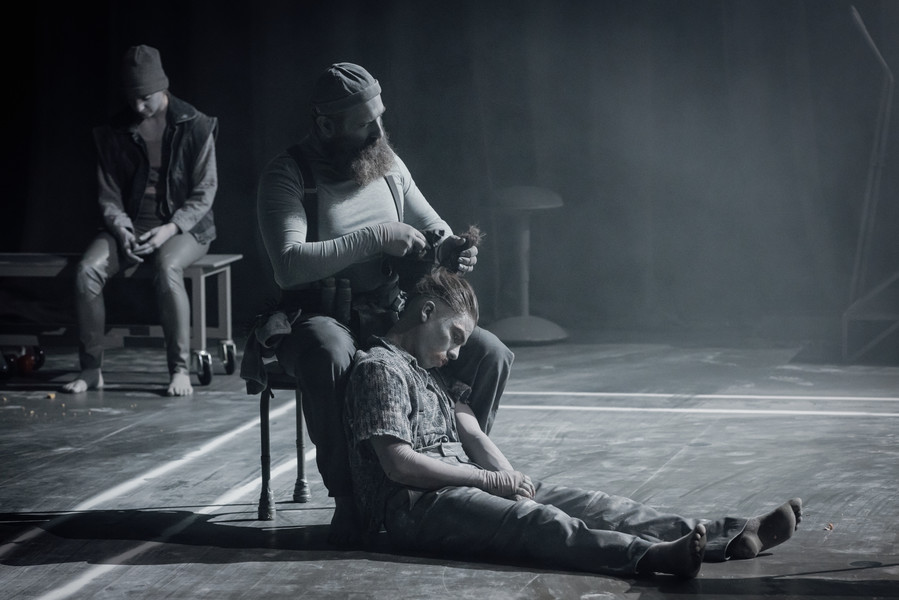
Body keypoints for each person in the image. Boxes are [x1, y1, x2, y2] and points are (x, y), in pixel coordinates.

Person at [345, 268, 803, 578]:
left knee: (594, 504)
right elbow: (398, 464)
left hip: (460, 483)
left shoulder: (432, 372)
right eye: (454, 337)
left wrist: (510, 479)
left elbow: (472, 432)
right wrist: (489, 481)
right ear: (425, 312)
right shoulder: (380, 368)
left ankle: (729, 533)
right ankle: (650, 557)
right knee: (536, 520)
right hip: (413, 506)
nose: (457, 352)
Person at [248, 62, 514, 546]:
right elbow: (288, 265)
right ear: (326, 125)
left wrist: (451, 249)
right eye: (364, 123)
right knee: (329, 352)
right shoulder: (289, 176)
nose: (377, 131)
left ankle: (445, 466)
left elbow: (432, 228)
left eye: (379, 117)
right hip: (320, 314)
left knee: (489, 353)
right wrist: (376, 236)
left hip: (388, 311)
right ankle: (352, 498)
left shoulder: (388, 164)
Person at [61, 45, 218, 397]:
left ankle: (179, 369)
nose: (137, 106)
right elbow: (108, 195)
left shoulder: (196, 125)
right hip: (131, 226)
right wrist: (121, 228)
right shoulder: (114, 132)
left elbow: (205, 191)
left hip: (185, 227)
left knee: (167, 267)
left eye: (145, 98)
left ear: (163, 87)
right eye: (131, 98)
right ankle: (91, 369)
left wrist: (171, 228)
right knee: (87, 270)